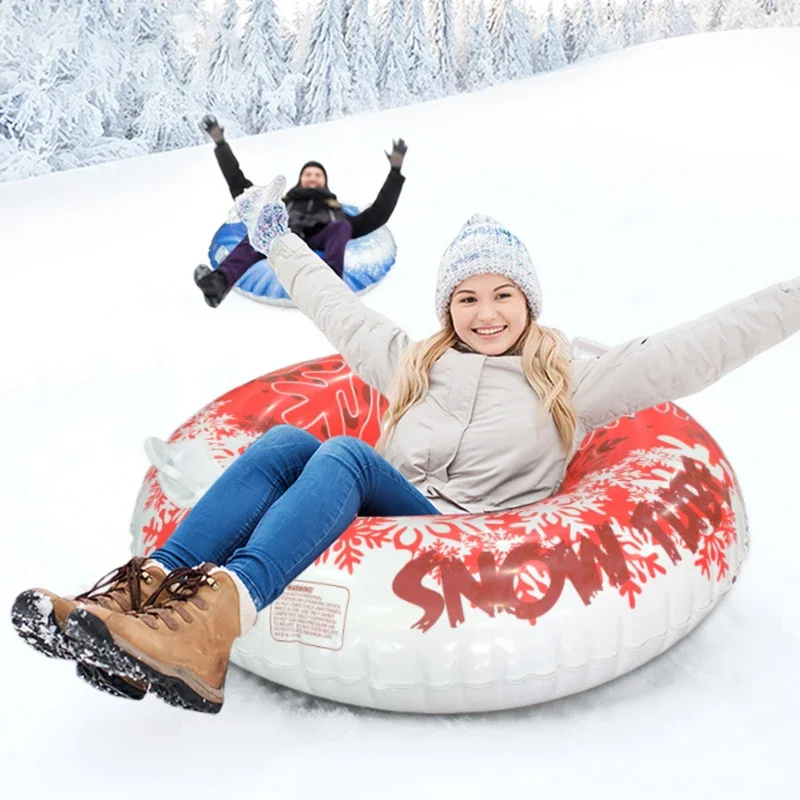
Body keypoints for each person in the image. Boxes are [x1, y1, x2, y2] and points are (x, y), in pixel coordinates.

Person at [12, 177, 800, 714]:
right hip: (392, 519)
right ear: (447, 306)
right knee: (287, 441)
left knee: (345, 457)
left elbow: (698, 348)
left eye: (503, 295)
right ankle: (138, 597)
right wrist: (276, 240)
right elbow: (333, 304)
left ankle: (217, 619)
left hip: (472, 539)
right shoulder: (415, 364)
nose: (485, 314)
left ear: (528, 302)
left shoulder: (573, 380)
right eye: (467, 297)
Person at [194, 114, 408, 307]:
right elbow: (240, 186)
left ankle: (331, 293)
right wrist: (220, 143)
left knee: (342, 227)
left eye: (317, 174)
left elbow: (378, 214)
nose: (312, 177)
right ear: (300, 179)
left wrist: (395, 173)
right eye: (308, 174)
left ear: (324, 181)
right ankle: (218, 285)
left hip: (323, 237)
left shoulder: (336, 212)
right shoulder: (281, 203)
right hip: (283, 235)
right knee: (260, 226)